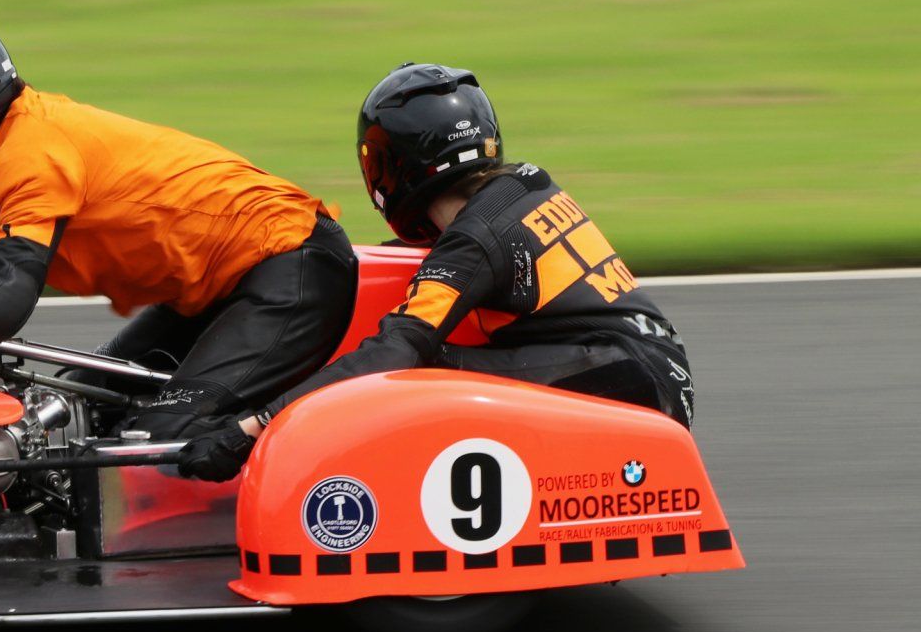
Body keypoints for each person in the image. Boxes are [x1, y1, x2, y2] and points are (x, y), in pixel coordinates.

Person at [0, 5, 357, 440]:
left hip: (292, 267)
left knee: (158, 439)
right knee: (79, 409)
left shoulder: (31, 150)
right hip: (219, 286)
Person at [177, 62, 696, 480]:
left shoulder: (473, 241)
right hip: (640, 363)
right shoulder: (524, 183)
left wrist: (255, 426)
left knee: (409, 376)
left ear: (394, 168)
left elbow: (398, 350)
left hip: (629, 379)